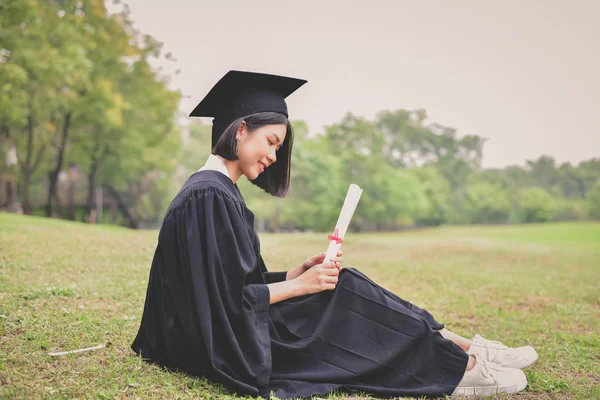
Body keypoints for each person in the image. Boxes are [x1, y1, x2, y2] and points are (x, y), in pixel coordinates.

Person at [131, 70, 538, 399]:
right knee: (342, 296)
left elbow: (228, 286)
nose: (273, 157)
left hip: (218, 331)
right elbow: (222, 304)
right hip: (218, 346)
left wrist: (292, 277)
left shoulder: (214, 190)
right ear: (241, 130)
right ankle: (459, 369)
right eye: (271, 142)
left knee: (342, 282)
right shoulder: (208, 195)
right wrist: (300, 287)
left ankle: (463, 348)